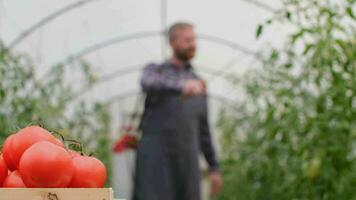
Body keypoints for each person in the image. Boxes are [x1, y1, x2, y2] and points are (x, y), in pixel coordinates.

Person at [133, 22, 222, 200]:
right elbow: (147, 83)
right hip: (155, 162)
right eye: (187, 40)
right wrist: (181, 86)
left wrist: (214, 168)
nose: (193, 44)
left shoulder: (198, 83)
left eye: (194, 40)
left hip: (187, 163)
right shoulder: (155, 71)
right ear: (173, 42)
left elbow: (203, 131)